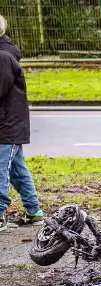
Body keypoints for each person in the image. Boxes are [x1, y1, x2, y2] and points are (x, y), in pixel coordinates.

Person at [0, 15, 40, 226]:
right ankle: (34, 211)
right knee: (16, 170)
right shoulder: (6, 54)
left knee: (0, 170)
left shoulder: (3, 57)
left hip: (6, 125)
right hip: (10, 124)